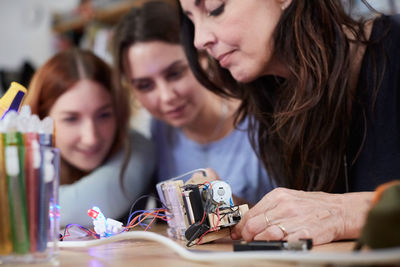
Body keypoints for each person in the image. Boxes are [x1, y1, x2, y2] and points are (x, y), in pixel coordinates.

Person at [177, 0, 400, 245]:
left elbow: (335, 213)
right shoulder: (276, 99)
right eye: (191, 19)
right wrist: (248, 217)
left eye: (214, 8)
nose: (199, 40)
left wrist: (344, 214)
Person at [113, 1, 273, 205]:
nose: (166, 97)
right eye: (145, 85)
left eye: (175, 74)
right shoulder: (158, 129)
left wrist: (228, 205)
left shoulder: (262, 120)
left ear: (203, 58)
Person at [24, 48, 156, 227]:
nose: (91, 138)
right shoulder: (18, 156)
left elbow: (85, 206)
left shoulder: (137, 148)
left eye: (104, 115)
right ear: (40, 119)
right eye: (71, 119)